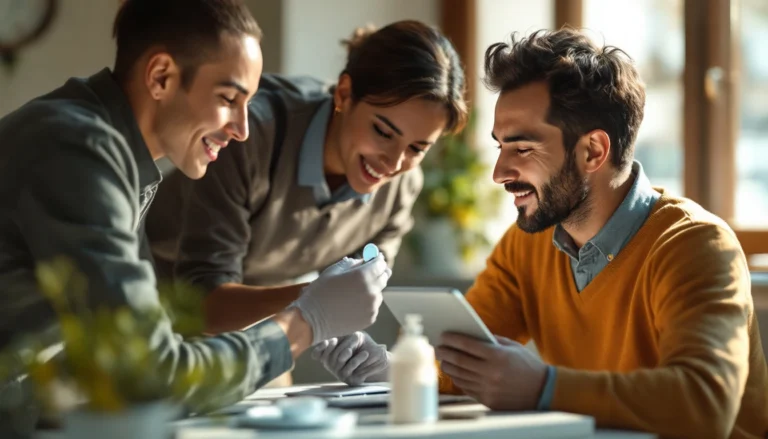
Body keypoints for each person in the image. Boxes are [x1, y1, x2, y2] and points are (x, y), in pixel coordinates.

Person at [311, 28, 768, 438]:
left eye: (522, 147)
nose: (499, 172)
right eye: (500, 146)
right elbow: (467, 359)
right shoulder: (527, 243)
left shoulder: (696, 246)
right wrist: (392, 370)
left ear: (592, 151)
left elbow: (705, 404)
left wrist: (544, 387)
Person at [0, 0, 389, 436]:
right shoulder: (77, 150)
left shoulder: (114, 151)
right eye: (228, 99)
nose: (241, 129)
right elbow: (151, 375)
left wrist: (311, 307)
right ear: (161, 76)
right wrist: (305, 322)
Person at [144, 20, 468, 334]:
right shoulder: (249, 137)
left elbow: (358, 291)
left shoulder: (400, 189)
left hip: (249, 327)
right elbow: (203, 302)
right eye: (383, 131)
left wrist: (346, 333)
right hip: (143, 304)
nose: (394, 163)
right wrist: (314, 300)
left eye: (416, 148)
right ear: (343, 94)